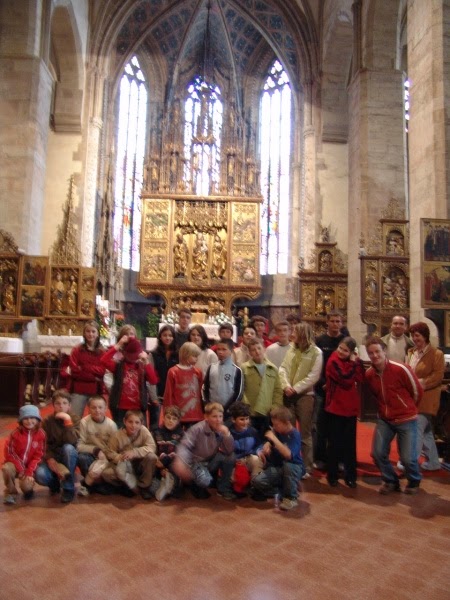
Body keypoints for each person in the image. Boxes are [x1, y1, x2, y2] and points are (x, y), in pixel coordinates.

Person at [364, 337, 423, 494]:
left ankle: (414, 481)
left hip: (406, 418)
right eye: (371, 353)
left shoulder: (400, 369)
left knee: (408, 459)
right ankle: (391, 480)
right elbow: (375, 395)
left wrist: (408, 407)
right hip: (385, 419)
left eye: (377, 351)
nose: (375, 355)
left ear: (384, 351)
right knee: (377, 453)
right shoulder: (369, 374)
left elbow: (417, 390)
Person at [279, 322, 323, 477]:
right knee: (289, 430)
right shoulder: (292, 348)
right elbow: (283, 368)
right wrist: (286, 385)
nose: (292, 334)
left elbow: (313, 376)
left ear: (303, 334)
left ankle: (306, 467)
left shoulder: (316, 352)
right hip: (288, 393)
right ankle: (291, 461)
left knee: (305, 433)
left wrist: (296, 388)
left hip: (305, 395)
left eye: (295, 331)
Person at [173, 402, 236, 500]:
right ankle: (192, 482)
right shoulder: (197, 429)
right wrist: (180, 461)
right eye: (214, 416)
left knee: (230, 457)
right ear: (206, 417)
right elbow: (184, 446)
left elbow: (229, 450)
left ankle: (223, 488)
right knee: (205, 481)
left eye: (220, 416)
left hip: (210, 460)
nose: (218, 420)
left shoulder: (222, 429)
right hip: (196, 462)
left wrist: (227, 435)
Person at [325, 337, 365, 488]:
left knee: (350, 445)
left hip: (350, 408)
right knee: (334, 444)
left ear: (351, 352)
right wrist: (353, 364)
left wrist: (355, 363)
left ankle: (350, 476)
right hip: (335, 407)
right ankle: (332, 475)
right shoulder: (333, 361)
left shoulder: (354, 362)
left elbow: (360, 377)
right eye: (340, 348)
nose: (341, 352)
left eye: (345, 350)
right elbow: (346, 379)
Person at [406, 322, 444, 471]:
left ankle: (411, 463)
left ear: (425, 336)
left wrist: (421, 383)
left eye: (417, 335)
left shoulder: (436, 354)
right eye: (412, 336)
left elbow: (438, 376)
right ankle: (433, 462)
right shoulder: (411, 352)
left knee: (416, 430)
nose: (415, 339)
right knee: (426, 431)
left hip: (427, 397)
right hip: (413, 397)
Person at [251, 406, 304, 511]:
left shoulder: (294, 434)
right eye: (273, 425)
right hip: (278, 467)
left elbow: (288, 455)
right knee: (257, 481)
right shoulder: (277, 432)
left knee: (288, 467)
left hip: (293, 466)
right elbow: (266, 444)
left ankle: (291, 498)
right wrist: (265, 447)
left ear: (286, 423)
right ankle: (283, 490)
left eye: (276, 425)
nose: (274, 427)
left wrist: (274, 439)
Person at [313, 311, 347, 469]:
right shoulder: (320, 340)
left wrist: (335, 383)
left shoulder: (345, 340)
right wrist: (323, 382)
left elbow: (349, 364)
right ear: (327, 322)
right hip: (322, 388)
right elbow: (316, 364)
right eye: (332, 321)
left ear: (342, 323)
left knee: (339, 426)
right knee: (320, 425)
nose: (335, 324)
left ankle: (339, 458)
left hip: (340, 390)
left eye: (338, 321)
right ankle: (320, 458)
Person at [101, 336, 158, 428]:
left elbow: (153, 380)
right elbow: (103, 360)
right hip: (120, 407)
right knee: (120, 432)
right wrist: (118, 345)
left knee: (139, 432)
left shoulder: (143, 366)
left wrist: (147, 362)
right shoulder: (118, 365)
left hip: (138, 407)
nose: (134, 358)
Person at [35, 390, 80, 503]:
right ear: (53, 405)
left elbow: (72, 441)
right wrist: (49, 458)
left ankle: (68, 488)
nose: (61, 406)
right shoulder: (47, 421)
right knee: (40, 475)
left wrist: (67, 421)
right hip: (53, 455)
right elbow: (43, 443)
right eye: (58, 403)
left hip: (68, 455)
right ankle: (54, 483)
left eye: (65, 403)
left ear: (69, 406)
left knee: (68, 448)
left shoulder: (75, 419)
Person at [102, 410, 158, 499]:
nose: (133, 425)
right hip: (124, 465)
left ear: (142, 423)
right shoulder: (117, 435)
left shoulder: (144, 431)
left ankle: (144, 486)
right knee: (106, 474)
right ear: (124, 421)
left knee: (152, 457)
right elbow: (109, 452)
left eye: (137, 423)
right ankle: (125, 486)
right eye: (130, 422)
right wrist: (120, 457)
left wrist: (135, 452)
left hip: (140, 465)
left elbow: (151, 447)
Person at [2, 405, 46, 505]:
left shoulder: (41, 434)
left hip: (30, 467)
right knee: (6, 468)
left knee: (26, 487)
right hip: (15, 464)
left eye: (32, 418)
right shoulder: (15, 434)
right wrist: (21, 469)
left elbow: (39, 455)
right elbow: (9, 452)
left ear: (37, 419)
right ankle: (11, 493)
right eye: (25, 418)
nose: (29, 421)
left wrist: (29, 471)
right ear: (21, 420)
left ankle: (28, 489)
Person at [241, 338, 283, 438]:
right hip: (250, 411)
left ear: (264, 349)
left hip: (267, 411)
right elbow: (241, 389)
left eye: (259, 348)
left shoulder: (273, 368)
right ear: (249, 352)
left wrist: (275, 407)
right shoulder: (244, 367)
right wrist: (245, 406)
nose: (257, 352)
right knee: (251, 438)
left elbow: (277, 390)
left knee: (266, 438)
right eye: (253, 350)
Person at [77, 395, 118, 494]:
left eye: (100, 407)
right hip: (90, 454)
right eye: (94, 407)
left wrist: (105, 455)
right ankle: (91, 484)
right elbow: (79, 446)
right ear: (89, 409)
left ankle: (93, 483)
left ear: (106, 408)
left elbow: (115, 448)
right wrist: (95, 450)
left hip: (106, 456)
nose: (97, 410)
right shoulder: (84, 422)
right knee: (81, 458)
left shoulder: (111, 425)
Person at [68, 320, 106, 418]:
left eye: (93, 331)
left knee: (96, 417)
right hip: (79, 389)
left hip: (95, 389)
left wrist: (85, 367)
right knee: (75, 417)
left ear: (97, 333)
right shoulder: (77, 350)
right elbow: (74, 371)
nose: (90, 334)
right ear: (84, 333)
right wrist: (93, 377)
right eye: (88, 331)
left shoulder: (102, 352)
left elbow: (102, 371)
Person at [163, 342, 204, 428]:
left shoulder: (198, 372)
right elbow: (168, 393)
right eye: (194, 356)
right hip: (178, 414)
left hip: (196, 414)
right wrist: (169, 412)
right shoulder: (173, 371)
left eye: (197, 356)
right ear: (186, 355)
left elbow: (200, 392)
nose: (196, 359)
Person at [148, 324, 179, 431]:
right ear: (160, 337)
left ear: (174, 337)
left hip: (173, 394)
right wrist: (153, 396)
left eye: (170, 335)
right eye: (165, 335)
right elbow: (150, 375)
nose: (167, 338)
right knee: (154, 424)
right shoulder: (153, 354)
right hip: (157, 391)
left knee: (172, 421)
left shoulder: (178, 354)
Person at [228, 402, 263, 495]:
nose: (245, 422)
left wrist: (258, 451)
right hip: (235, 461)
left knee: (256, 460)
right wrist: (237, 460)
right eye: (242, 419)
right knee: (237, 481)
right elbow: (226, 452)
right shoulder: (228, 433)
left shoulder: (253, 432)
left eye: (247, 418)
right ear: (233, 419)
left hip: (249, 458)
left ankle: (256, 485)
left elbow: (259, 445)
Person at [152, 406, 184, 501]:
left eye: (174, 419)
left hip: (172, 465)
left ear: (178, 421)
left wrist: (166, 467)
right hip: (158, 465)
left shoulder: (182, 434)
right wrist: (161, 467)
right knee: (152, 490)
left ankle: (171, 484)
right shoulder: (156, 432)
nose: (170, 421)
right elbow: (152, 449)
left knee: (176, 494)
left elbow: (179, 453)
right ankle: (164, 483)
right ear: (164, 417)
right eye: (168, 417)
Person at [202, 338, 243, 414]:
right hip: (212, 409)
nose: (220, 352)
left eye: (224, 349)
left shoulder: (236, 370)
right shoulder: (211, 367)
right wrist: (207, 403)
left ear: (231, 351)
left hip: (228, 411)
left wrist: (228, 408)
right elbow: (205, 387)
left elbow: (238, 392)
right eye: (218, 349)